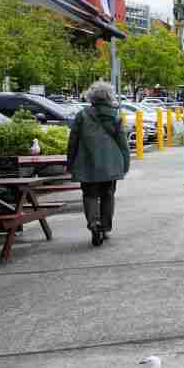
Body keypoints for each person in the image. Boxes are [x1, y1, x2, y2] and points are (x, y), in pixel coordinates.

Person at [67, 81, 130, 247]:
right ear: (110, 96)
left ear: (91, 97)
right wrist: (126, 162)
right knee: (108, 194)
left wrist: (70, 161)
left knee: (90, 195)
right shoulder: (115, 116)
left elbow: (73, 141)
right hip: (110, 163)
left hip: (87, 163)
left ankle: (93, 224)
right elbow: (123, 143)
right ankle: (106, 227)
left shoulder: (82, 115)